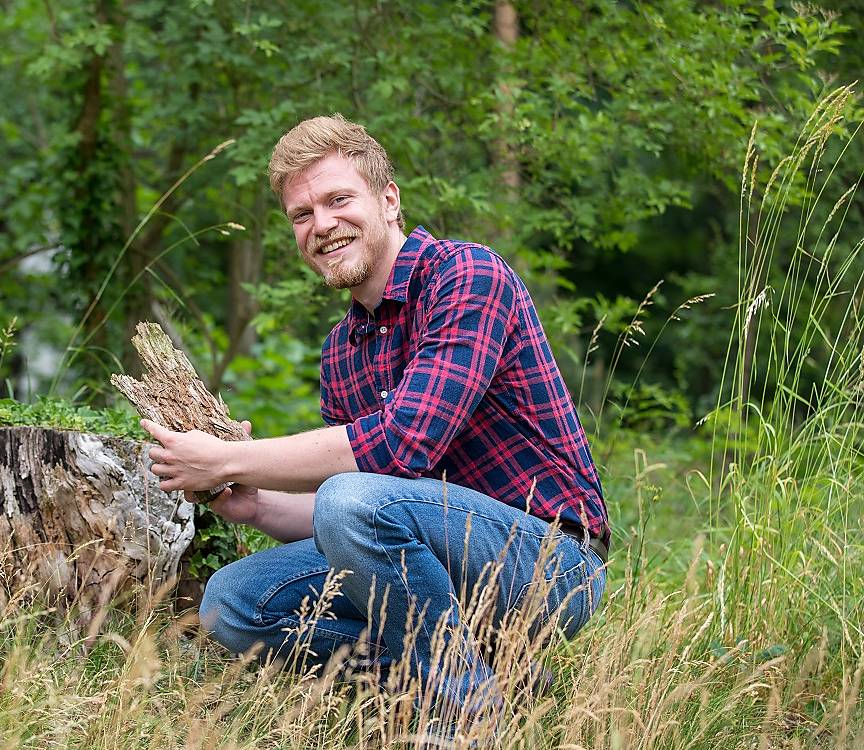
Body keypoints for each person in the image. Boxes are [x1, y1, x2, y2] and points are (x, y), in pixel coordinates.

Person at [140, 114, 608, 730]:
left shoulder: (466, 276)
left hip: (547, 564)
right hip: (427, 570)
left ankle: (467, 720)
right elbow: (347, 523)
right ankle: (492, 674)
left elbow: (398, 449)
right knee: (232, 604)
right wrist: (254, 506)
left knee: (350, 497)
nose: (321, 226)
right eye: (301, 215)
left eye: (338, 200)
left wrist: (230, 457)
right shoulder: (342, 350)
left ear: (388, 201)